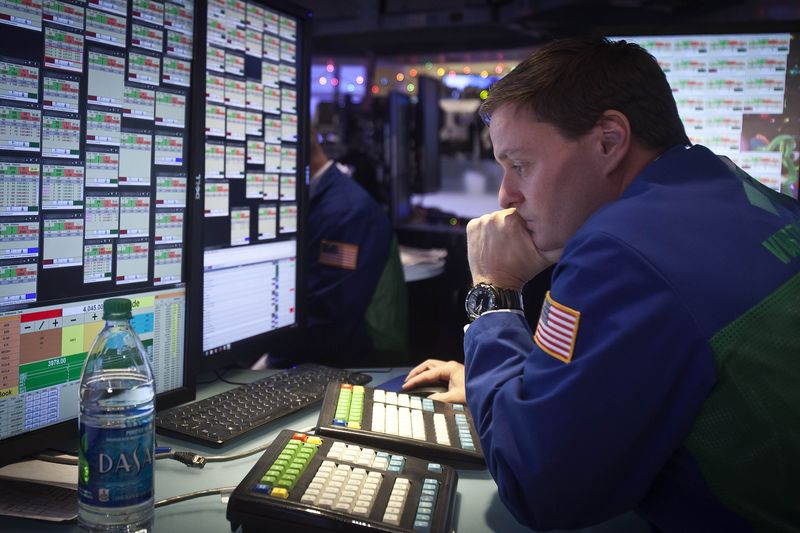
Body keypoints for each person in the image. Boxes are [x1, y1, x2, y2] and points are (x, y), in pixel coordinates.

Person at [403, 37, 800, 532]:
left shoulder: (621, 250)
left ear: (609, 141)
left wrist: (494, 291)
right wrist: (499, 388)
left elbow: (539, 488)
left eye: (520, 165)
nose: (506, 195)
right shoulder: (727, 186)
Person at [265, 130, 408, 368]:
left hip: (365, 358)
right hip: (334, 350)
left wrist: (267, 361)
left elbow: (329, 317)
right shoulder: (326, 199)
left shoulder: (346, 213)